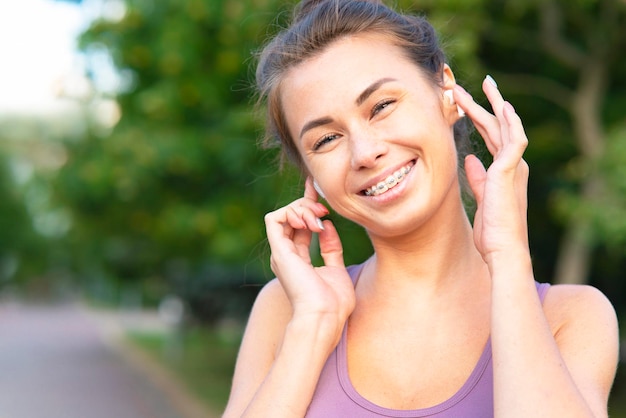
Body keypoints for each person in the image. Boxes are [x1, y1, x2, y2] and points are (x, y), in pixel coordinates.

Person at [223, 0, 619, 416]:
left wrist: (508, 258)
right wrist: (314, 324)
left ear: (446, 92)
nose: (365, 152)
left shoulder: (572, 317)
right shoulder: (286, 310)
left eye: (381, 106)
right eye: (326, 140)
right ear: (311, 174)